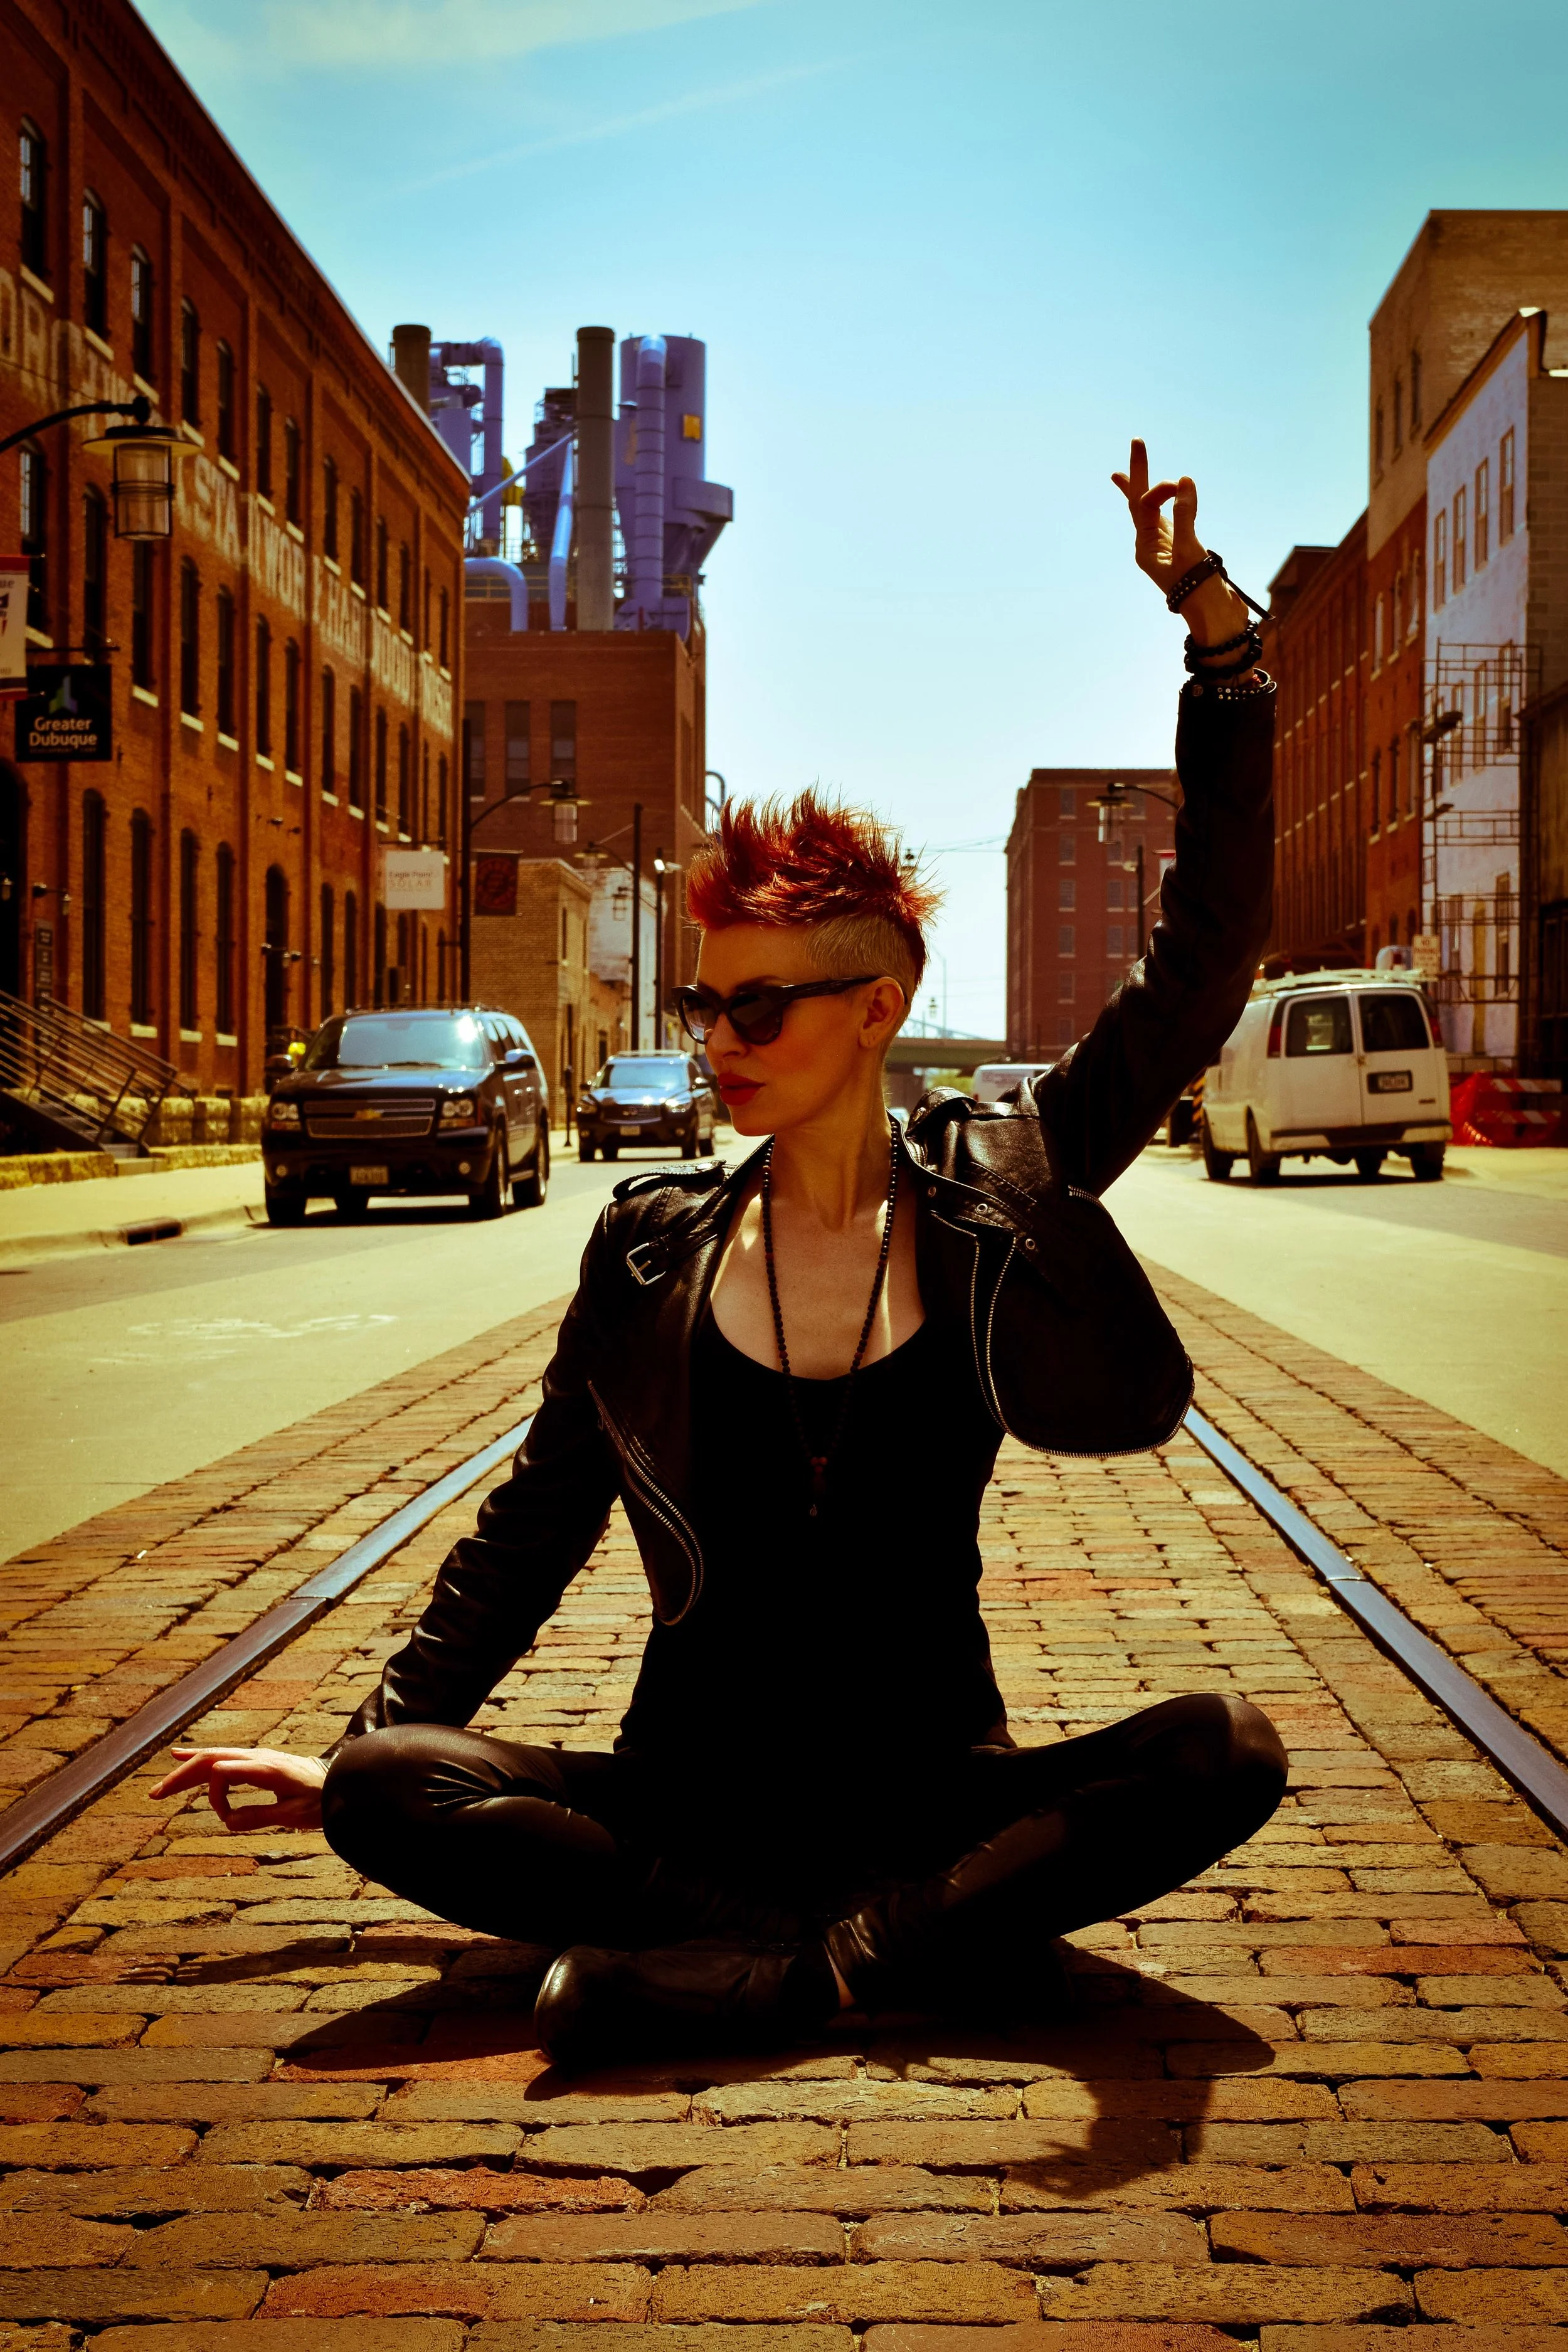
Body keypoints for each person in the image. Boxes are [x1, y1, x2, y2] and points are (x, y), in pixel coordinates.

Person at [156, 444, 1288, 2069]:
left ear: (876, 1007)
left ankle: (797, 1969)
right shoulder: (645, 1249)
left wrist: (1217, 643)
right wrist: (359, 1748)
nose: (718, 1042)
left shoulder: (997, 1193)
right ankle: (846, 1951)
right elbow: (531, 1525)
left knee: (1219, 1751)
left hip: (927, 1795)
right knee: (392, 1790)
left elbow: (1198, 966)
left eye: (758, 1006)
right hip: (680, 1807)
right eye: (705, 1004)